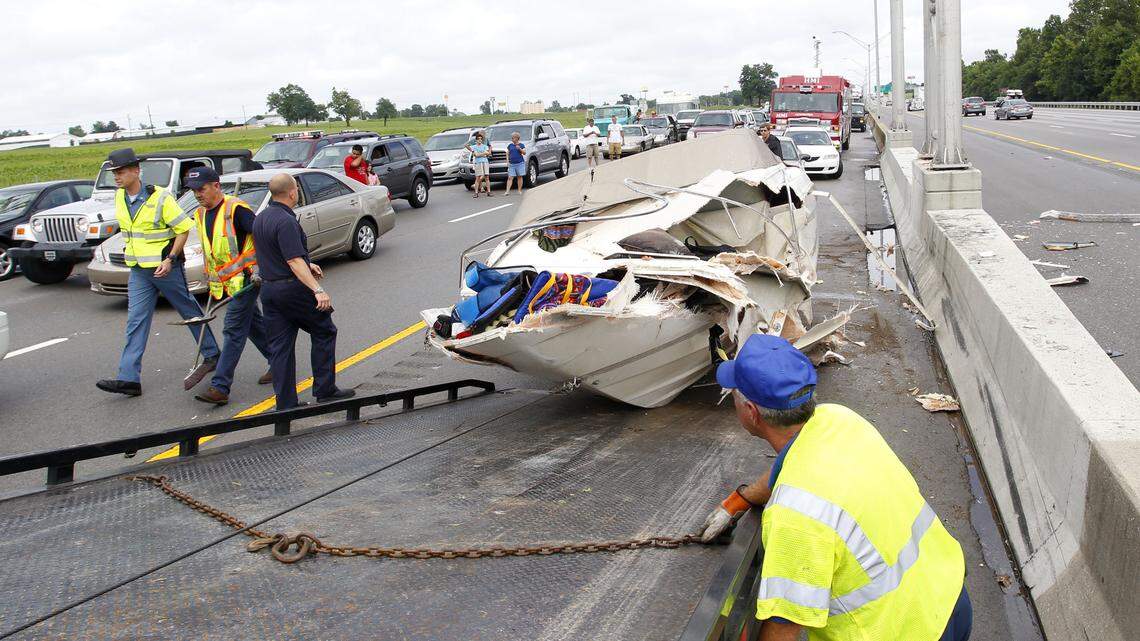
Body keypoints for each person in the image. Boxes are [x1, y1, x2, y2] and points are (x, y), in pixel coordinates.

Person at [699, 334, 972, 641]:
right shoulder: (840, 419)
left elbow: (785, 627)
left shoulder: (795, 514)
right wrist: (741, 499)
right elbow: (785, 466)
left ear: (751, 411)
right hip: (949, 600)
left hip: (900, 630)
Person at [97, 148, 220, 397]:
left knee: (189, 311)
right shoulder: (120, 197)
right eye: (114, 173)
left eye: (120, 172)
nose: (117, 177)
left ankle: (212, 353)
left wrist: (170, 258)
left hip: (166, 269)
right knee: (136, 322)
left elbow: (183, 229)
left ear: (136, 171)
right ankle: (129, 378)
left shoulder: (160, 197)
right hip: (139, 271)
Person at [252, 173, 354, 410]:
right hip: (291, 290)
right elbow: (293, 261)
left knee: (280, 347)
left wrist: (307, 264)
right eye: (296, 189)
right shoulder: (286, 221)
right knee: (324, 330)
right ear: (292, 192)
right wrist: (318, 290)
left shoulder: (262, 218)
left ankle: (286, 403)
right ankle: (325, 389)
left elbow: (277, 254)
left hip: (269, 290)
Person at [184, 167, 273, 405]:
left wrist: (264, 269)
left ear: (216, 185)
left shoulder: (236, 210)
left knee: (233, 330)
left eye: (201, 189)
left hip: (246, 280)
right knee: (253, 325)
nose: (197, 195)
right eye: (193, 190)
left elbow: (262, 235)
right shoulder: (201, 214)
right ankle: (279, 360)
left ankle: (220, 386)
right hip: (224, 284)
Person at [467, 131, 493, 198]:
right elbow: (476, 155)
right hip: (478, 162)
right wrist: (483, 154)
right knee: (478, 177)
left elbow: (487, 153)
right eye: (478, 139)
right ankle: (476, 193)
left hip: (485, 162)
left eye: (481, 139)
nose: (480, 140)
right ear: (476, 140)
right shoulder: (474, 147)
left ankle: (489, 192)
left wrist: (481, 154)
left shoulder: (485, 146)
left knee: (487, 177)